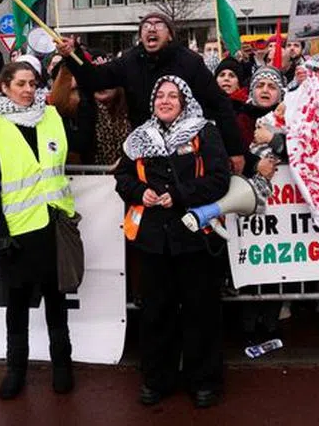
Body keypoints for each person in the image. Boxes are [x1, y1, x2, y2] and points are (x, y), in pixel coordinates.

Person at [114, 76, 230, 409]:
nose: (165, 101)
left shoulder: (203, 131)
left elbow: (219, 180)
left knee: (201, 312)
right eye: (159, 96)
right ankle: (156, 379)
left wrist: (178, 195)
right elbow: (122, 178)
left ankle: (204, 381)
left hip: (194, 237)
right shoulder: (139, 137)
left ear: (184, 100)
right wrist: (140, 192)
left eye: (172, 96)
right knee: (155, 313)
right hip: (152, 241)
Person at [0, 61, 76, 401]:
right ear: (4, 86)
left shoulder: (51, 117)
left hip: (53, 225)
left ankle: (62, 365)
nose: (28, 90)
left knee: (56, 301)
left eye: (33, 83)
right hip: (16, 232)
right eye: (20, 83)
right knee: (17, 306)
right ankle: (15, 370)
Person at [59, 12, 245, 172]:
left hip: (186, 150)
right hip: (147, 149)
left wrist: (235, 150)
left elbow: (220, 104)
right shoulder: (129, 60)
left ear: (170, 35)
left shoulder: (190, 62)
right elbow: (95, 79)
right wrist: (73, 55)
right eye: (146, 26)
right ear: (141, 35)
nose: (151, 29)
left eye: (158, 25)